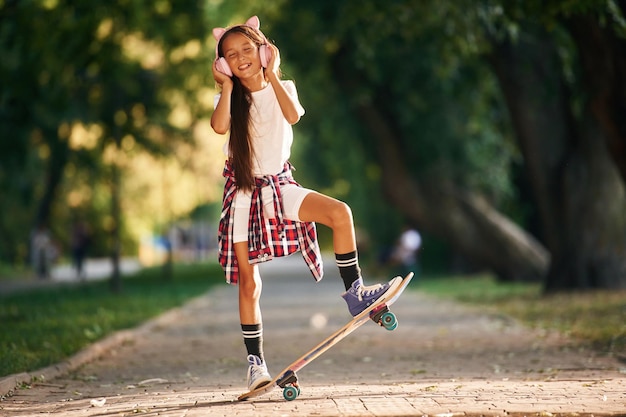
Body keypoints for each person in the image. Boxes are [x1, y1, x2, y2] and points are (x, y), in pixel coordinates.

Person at [210, 16, 402, 391]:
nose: (241, 58)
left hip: (281, 186)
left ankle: (355, 293)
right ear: (223, 65)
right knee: (248, 283)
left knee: (339, 213)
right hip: (244, 195)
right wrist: (227, 87)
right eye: (230, 55)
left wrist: (274, 72)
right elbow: (219, 127)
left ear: (264, 51)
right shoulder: (228, 98)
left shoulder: (284, 87)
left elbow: (293, 114)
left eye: (248, 49)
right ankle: (256, 365)